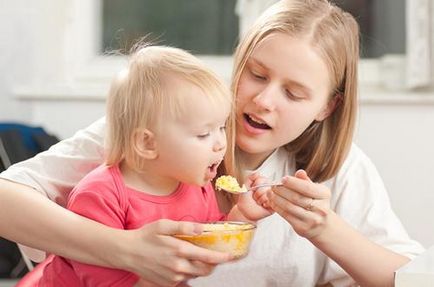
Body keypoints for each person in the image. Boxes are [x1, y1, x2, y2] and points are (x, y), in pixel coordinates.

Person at [0, 0, 424, 286]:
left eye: (293, 93)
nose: (263, 100)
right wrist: (127, 250)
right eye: (256, 74)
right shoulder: (155, 130)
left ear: (326, 108)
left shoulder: (342, 169)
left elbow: (410, 276)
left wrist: (324, 227)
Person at [33, 45, 271, 286]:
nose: (221, 143)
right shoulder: (100, 196)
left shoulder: (193, 185)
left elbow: (208, 240)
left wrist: (241, 216)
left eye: (222, 127)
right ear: (147, 143)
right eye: (203, 134)